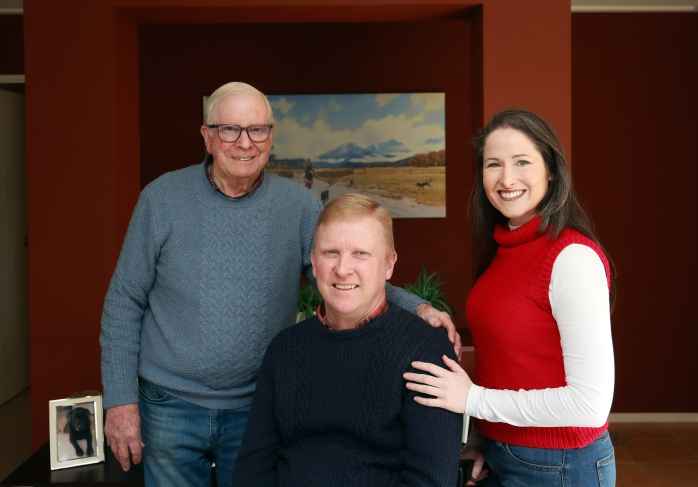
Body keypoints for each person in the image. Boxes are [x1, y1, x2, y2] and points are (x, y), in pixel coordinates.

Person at [99, 82, 460, 487]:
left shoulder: (300, 206)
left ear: (270, 138)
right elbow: (123, 301)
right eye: (229, 129)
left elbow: (343, 276)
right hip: (169, 402)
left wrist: (419, 309)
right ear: (206, 136)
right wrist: (120, 401)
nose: (245, 143)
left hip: (258, 403)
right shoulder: (160, 199)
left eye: (258, 130)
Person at [404, 109, 616, 486]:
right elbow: (511, 364)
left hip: (562, 466)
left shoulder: (572, 258)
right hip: (507, 455)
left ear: (551, 171)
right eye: (493, 164)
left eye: (522, 162)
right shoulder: (505, 250)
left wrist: (473, 401)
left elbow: (589, 404)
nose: (506, 179)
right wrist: (488, 436)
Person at [233, 194, 463, 486]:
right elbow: (253, 469)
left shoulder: (426, 352)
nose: (342, 269)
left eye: (361, 253)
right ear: (314, 263)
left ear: (389, 265)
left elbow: (430, 479)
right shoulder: (285, 350)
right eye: (330, 252)